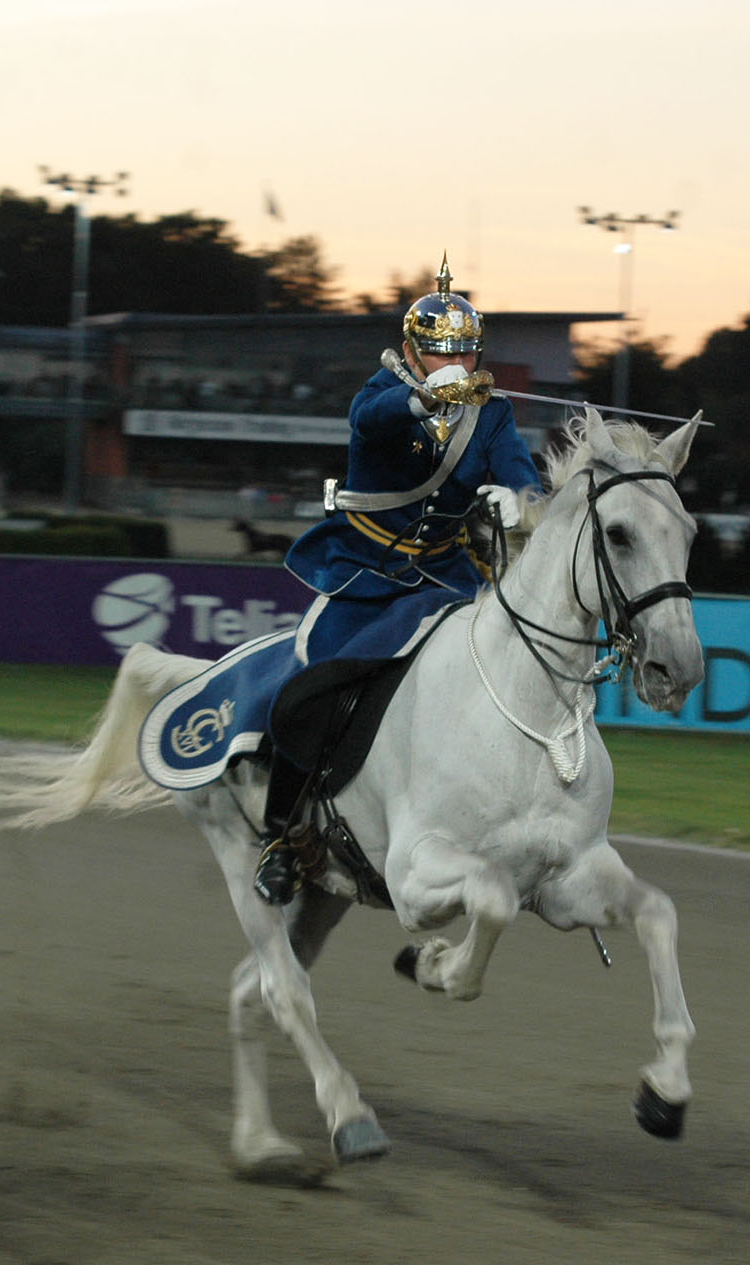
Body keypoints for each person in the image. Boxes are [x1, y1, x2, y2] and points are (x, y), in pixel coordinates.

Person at [251, 255, 542, 903]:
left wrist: (518, 499)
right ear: (410, 351)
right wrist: (423, 397)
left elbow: (519, 468)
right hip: (366, 568)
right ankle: (279, 834)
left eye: (466, 356)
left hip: (446, 573)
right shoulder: (378, 395)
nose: (456, 367)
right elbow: (375, 422)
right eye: (440, 354)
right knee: (315, 678)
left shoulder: (490, 413)